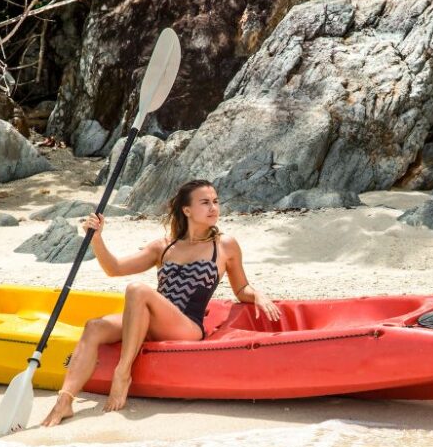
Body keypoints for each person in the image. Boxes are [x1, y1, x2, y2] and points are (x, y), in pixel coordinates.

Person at [41, 179, 280, 425]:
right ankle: (65, 401)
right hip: (150, 321)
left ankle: (123, 372)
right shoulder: (164, 246)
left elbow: (241, 288)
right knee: (94, 326)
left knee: (137, 290)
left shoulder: (224, 245)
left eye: (216, 202)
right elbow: (114, 268)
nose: (214, 208)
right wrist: (97, 239)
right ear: (186, 210)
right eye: (205, 202)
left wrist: (258, 295)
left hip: (187, 326)